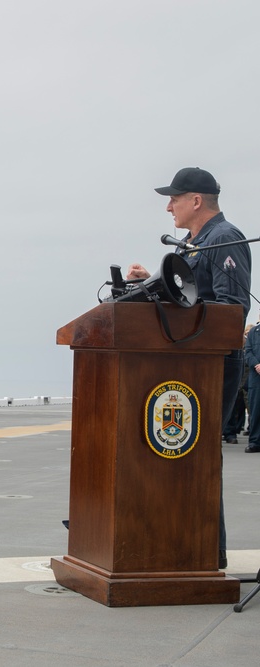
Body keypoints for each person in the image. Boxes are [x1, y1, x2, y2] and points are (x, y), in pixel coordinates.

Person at [127, 167, 252, 570]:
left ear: (195, 201)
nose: (168, 207)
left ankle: (206, 553)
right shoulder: (189, 245)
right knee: (182, 453)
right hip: (185, 363)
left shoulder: (224, 238)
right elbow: (189, 298)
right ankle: (182, 544)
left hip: (210, 365)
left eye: (174, 199)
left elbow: (232, 309)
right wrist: (153, 284)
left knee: (198, 453)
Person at [244, 323, 260, 454]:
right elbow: (248, 352)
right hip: (256, 378)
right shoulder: (254, 332)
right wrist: (256, 365)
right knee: (255, 411)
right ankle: (254, 442)